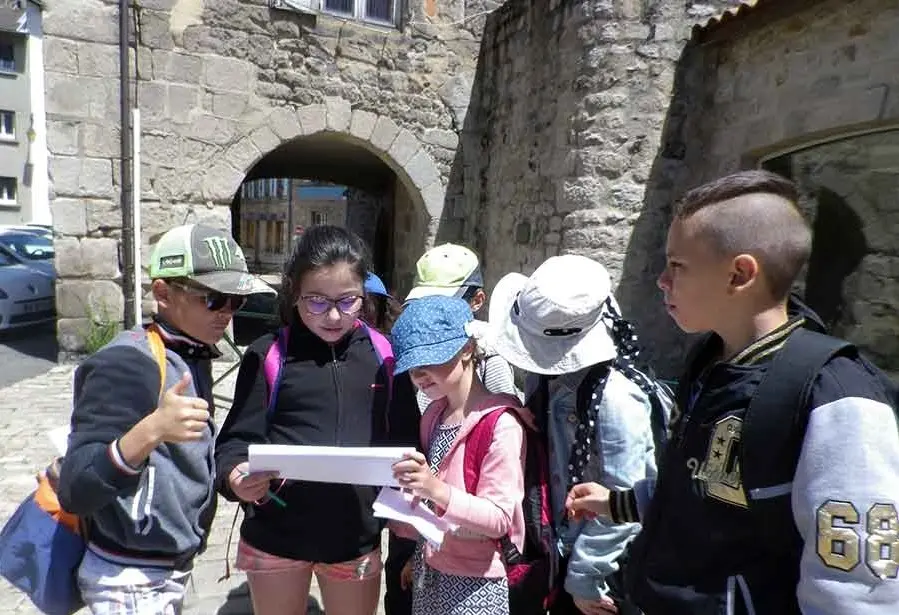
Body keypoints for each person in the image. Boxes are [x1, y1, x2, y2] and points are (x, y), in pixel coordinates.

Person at [565, 170, 899, 614]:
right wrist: (619, 502)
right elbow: (705, 484)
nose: (662, 281)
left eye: (678, 266)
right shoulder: (711, 362)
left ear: (740, 273)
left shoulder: (836, 397)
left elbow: (859, 587)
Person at [57, 224, 275, 614]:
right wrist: (153, 429)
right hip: (130, 574)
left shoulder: (191, 353)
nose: (227, 313)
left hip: (167, 566)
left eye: (236, 301)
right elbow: (76, 489)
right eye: (214, 299)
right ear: (163, 293)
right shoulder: (128, 362)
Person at [214, 224, 420, 615]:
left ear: (365, 293)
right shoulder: (267, 354)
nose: (333, 315)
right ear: (294, 293)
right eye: (316, 301)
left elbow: (408, 439)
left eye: (347, 301)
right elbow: (234, 443)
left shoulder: (386, 357)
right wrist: (236, 478)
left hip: (354, 539)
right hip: (275, 537)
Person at [488, 254, 659, 615]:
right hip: (560, 549)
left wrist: (584, 579)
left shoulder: (616, 398)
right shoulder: (547, 376)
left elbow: (624, 500)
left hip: (599, 569)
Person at [386, 243, 522, 615]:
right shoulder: (433, 416)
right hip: (433, 572)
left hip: (479, 583)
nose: (420, 374)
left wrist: (434, 488)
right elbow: (432, 505)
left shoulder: (501, 423)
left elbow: (499, 518)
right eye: (412, 367)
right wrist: (418, 549)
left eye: (431, 358)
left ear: (466, 348)